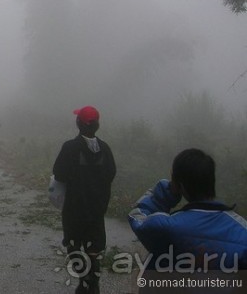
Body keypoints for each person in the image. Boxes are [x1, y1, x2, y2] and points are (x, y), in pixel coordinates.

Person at [129, 148, 247, 279]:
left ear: (179, 185)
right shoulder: (242, 230)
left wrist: (164, 194)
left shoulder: (167, 227)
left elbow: (137, 217)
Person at [52, 106, 116, 294]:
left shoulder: (70, 147)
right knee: (93, 246)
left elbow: (59, 174)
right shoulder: (105, 149)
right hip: (97, 209)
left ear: (78, 123)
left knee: (73, 244)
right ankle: (92, 280)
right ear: (97, 125)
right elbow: (111, 173)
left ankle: (85, 279)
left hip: (74, 208)